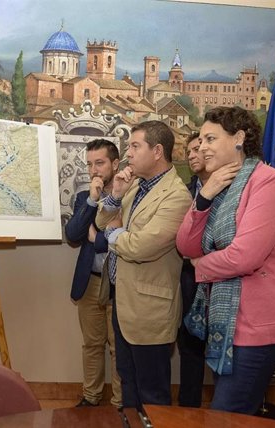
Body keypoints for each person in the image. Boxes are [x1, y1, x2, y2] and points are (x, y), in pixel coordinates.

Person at [176, 106, 275, 415]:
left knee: (229, 414)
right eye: (200, 139)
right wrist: (204, 197)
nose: (202, 146)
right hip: (227, 321)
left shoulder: (268, 181)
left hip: (261, 323)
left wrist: (201, 265)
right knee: (237, 412)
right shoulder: (216, 185)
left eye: (210, 138)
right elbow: (185, 244)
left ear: (239, 138)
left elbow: (245, 257)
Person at [96, 120, 191, 409]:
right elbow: (101, 221)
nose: (128, 153)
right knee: (128, 387)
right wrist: (115, 194)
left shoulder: (177, 196)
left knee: (152, 395)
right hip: (122, 304)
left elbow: (141, 247)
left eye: (135, 146)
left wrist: (115, 233)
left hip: (150, 311)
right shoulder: (134, 184)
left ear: (158, 151)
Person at [65, 139, 122, 408]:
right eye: (89, 164)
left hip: (118, 283)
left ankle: (120, 402)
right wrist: (91, 200)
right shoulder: (82, 198)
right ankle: (90, 397)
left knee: (118, 347)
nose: (94, 170)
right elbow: (74, 235)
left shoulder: (128, 195)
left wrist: (96, 235)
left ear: (115, 163)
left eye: (99, 163)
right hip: (89, 281)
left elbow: (114, 238)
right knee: (92, 344)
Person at [176, 133, 209, 408]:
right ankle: (188, 411)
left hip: (226, 281)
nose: (192, 155)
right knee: (189, 347)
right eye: (189, 151)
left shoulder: (235, 191)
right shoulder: (183, 191)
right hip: (188, 279)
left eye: (198, 149)